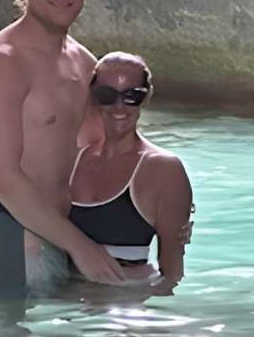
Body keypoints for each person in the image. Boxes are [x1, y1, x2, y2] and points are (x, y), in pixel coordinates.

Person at [0, 0, 131, 296]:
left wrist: (162, 207)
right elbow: (3, 177)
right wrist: (81, 247)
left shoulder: (85, 63)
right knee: (7, 332)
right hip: (6, 230)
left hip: (63, 232)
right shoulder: (3, 61)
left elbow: (105, 156)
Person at [69, 52, 193, 287]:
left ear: (147, 97)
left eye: (132, 96)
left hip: (124, 298)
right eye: (107, 95)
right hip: (59, 297)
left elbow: (172, 274)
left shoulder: (164, 169)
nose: (119, 106)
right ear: (94, 97)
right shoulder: (73, 160)